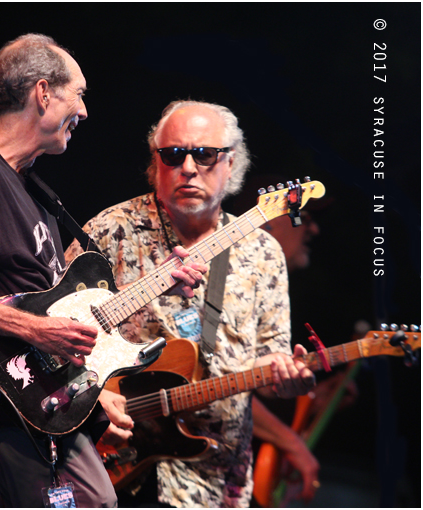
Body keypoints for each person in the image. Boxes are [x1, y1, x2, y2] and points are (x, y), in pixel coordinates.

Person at [0, 35, 206, 508]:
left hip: (53, 408)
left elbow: (66, 314)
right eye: (78, 94)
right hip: (13, 407)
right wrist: (36, 330)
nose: (84, 112)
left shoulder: (35, 193)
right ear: (43, 93)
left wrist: (90, 388)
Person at [65, 100, 317, 507]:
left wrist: (285, 380)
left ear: (231, 164)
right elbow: (51, 333)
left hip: (218, 479)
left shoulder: (264, 252)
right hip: (117, 467)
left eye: (204, 154)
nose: (187, 167)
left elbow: (268, 361)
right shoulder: (110, 231)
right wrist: (92, 405)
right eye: (173, 154)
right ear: (155, 162)